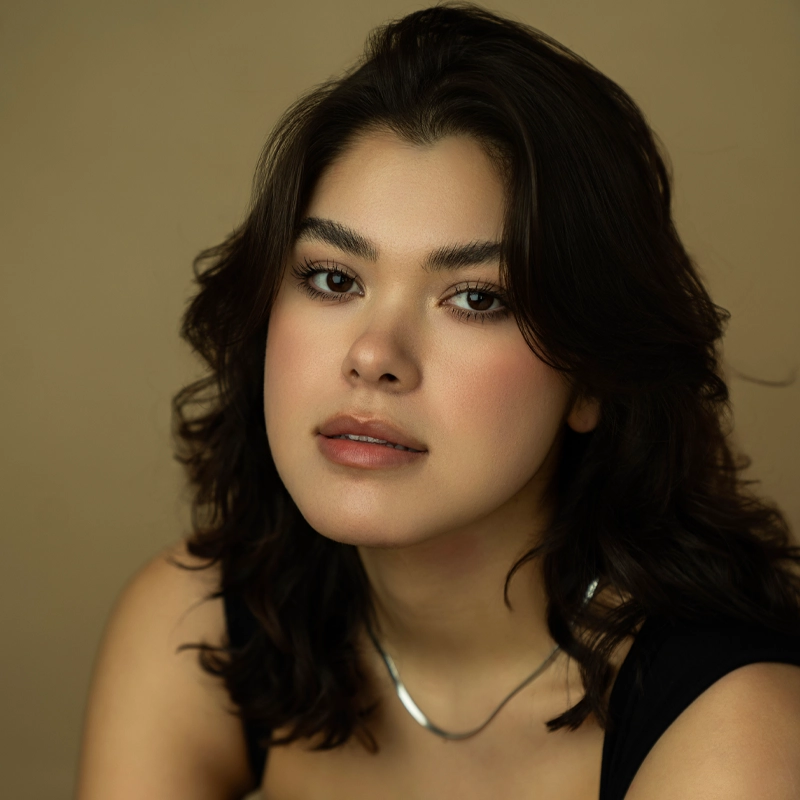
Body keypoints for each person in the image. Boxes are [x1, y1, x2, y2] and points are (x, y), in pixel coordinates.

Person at [76, 3, 800, 798]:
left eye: (476, 299)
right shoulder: (193, 624)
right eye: (333, 278)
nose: (374, 356)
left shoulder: (738, 723)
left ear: (592, 378)